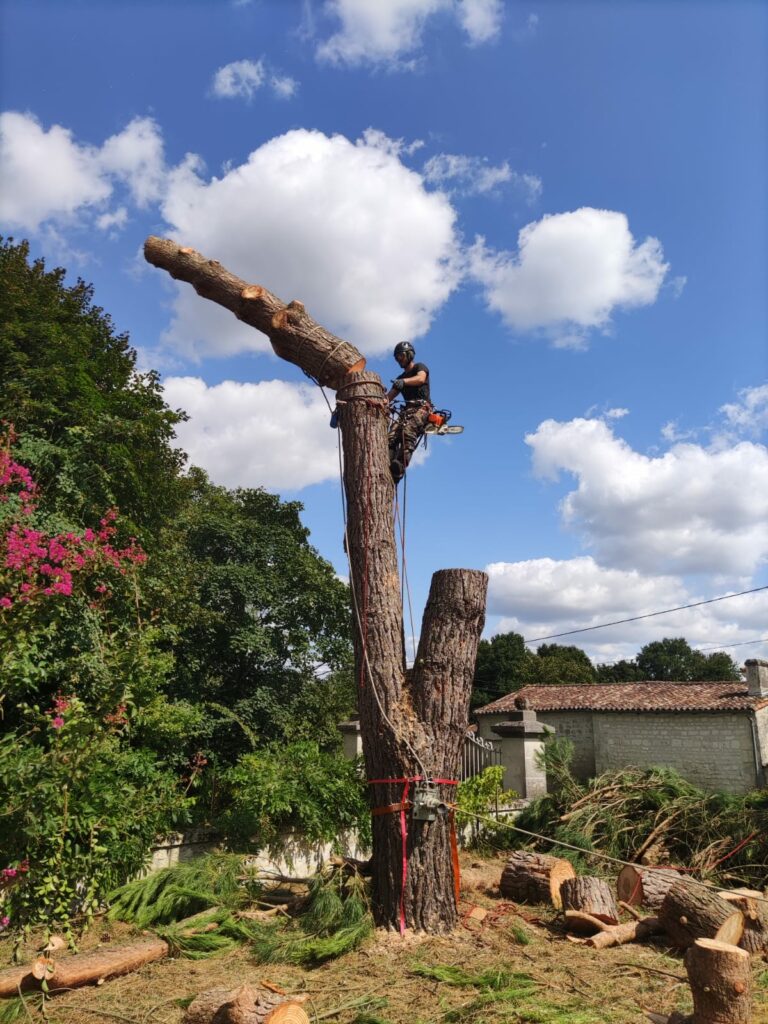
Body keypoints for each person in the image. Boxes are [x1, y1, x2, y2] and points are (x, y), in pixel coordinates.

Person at [386, 341, 431, 483]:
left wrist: (404, 382)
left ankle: (400, 465)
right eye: (396, 357)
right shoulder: (400, 379)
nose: (399, 360)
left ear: (409, 354)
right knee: (390, 436)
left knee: (408, 431)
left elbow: (421, 379)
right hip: (405, 411)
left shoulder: (420, 367)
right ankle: (388, 461)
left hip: (422, 408)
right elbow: (388, 397)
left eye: (401, 356)